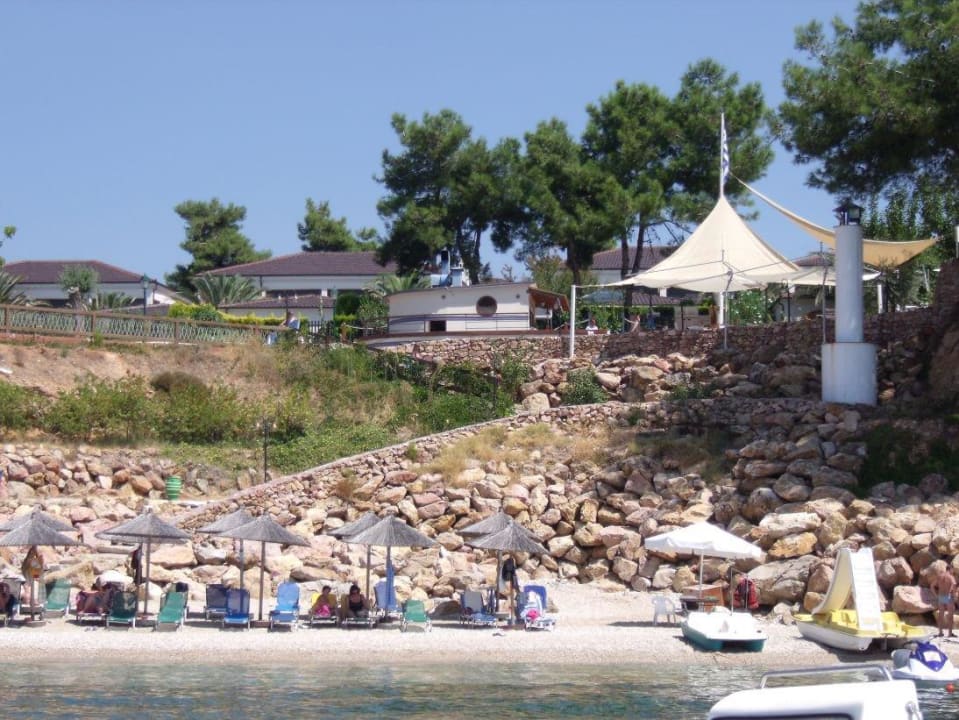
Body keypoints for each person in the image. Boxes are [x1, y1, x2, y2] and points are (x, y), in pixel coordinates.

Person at [931, 562, 956, 637]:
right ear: (950, 569)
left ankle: (940, 632)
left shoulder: (940, 576)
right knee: (950, 616)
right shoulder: (951, 577)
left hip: (941, 597)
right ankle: (949, 633)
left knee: (941, 615)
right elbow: (954, 584)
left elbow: (932, 586)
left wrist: (936, 595)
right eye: (952, 570)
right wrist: (952, 593)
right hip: (948, 597)